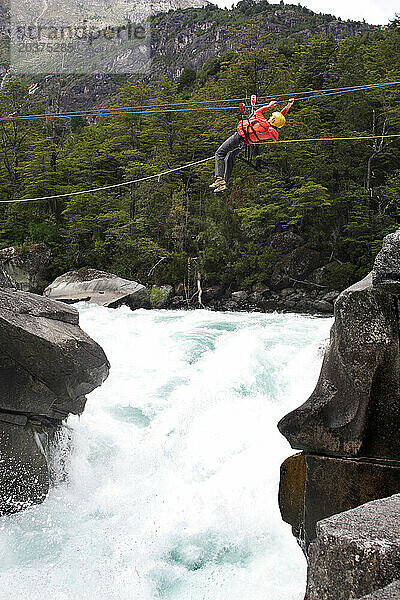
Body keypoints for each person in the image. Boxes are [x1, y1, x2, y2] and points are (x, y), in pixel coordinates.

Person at [210, 98, 295, 193]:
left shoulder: (265, 124)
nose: (270, 117)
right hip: (243, 142)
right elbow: (279, 118)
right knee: (230, 158)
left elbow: (258, 112)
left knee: (219, 153)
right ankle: (224, 183)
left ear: (273, 120)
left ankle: (219, 178)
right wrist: (288, 106)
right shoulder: (271, 130)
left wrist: (269, 105)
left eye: (272, 117)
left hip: (238, 137)